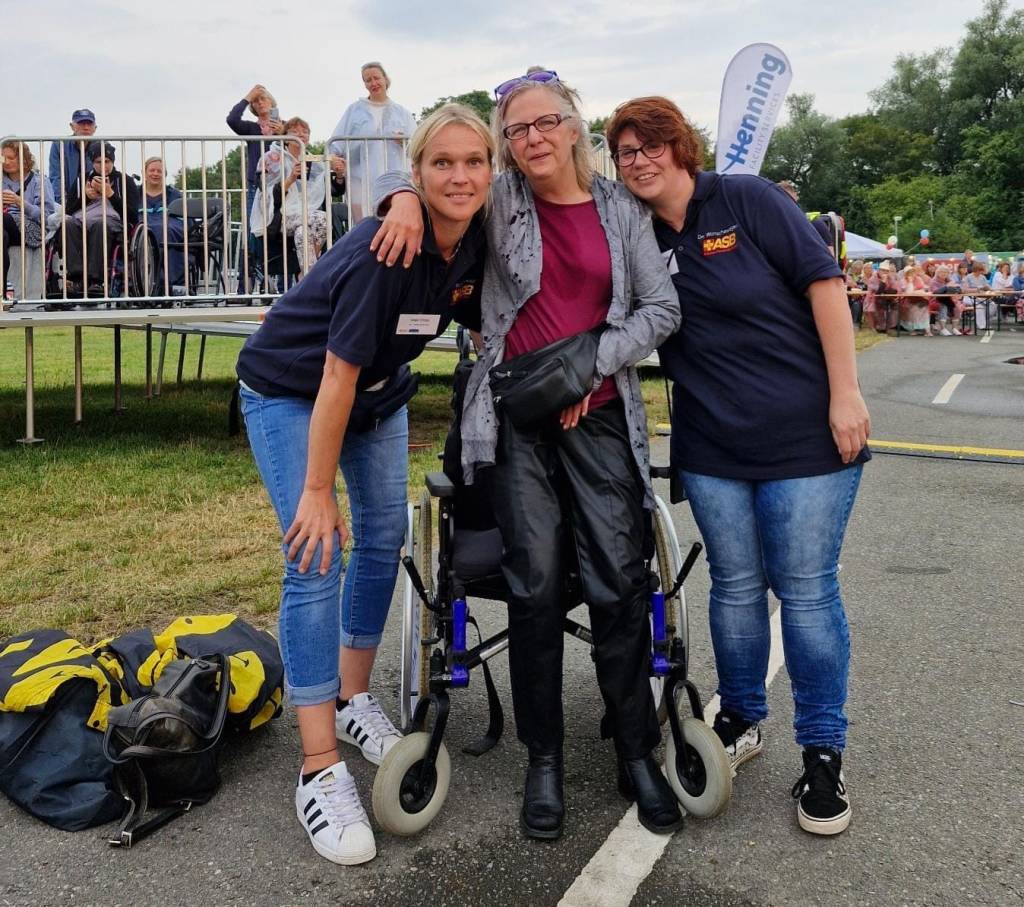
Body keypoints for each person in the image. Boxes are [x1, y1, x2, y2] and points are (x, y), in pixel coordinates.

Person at [375, 70, 684, 841]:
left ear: (575, 126)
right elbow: (437, 167)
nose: (533, 139)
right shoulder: (502, 196)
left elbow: (662, 308)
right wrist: (403, 196)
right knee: (536, 581)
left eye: (546, 123)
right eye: (517, 130)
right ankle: (543, 757)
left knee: (618, 579)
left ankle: (637, 751)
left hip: (602, 414)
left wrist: (588, 362)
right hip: (513, 417)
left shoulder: (620, 208)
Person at [604, 96, 870, 836]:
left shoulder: (746, 200)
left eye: (651, 144)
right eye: (625, 152)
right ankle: (742, 717)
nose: (640, 160)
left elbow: (825, 286)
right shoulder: (636, 233)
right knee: (736, 586)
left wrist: (846, 393)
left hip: (806, 434)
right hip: (714, 444)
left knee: (808, 593)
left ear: (680, 146)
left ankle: (823, 749)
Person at [235, 104, 492, 865]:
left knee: (386, 535)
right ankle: (318, 767)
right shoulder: (391, 248)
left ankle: (350, 698)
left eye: (472, 162)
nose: (458, 176)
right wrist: (318, 490)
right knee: (316, 554)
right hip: (292, 389)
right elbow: (335, 375)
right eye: (439, 164)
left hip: (377, 394)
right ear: (415, 171)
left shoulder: (473, 238)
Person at [329, 62, 416, 221]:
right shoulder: (354, 110)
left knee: (393, 222)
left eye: (377, 78)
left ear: (385, 79)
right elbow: (335, 145)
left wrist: (402, 142)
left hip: (394, 179)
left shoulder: (402, 113)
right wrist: (333, 159)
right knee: (363, 225)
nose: (373, 83)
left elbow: (418, 148)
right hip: (360, 180)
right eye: (368, 80)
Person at [249, 117, 328, 275]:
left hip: (303, 215)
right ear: (285, 137)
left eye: (305, 132)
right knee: (322, 219)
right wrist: (291, 178)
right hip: (277, 216)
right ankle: (311, 276)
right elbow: (265, 193)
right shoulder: (270, 158)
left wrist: (339, 173)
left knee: (302, 233)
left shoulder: (312, 161)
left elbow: (331, 188)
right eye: (295, 131)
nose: (301, 134)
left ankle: (305, 276)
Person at [59, 141, 140, 294]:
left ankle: (96, 280)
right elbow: (68, 210)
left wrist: (110, 194)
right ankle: (76, 278)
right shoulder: (81, 180)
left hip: (112, 221)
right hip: (82, 220)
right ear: (92, 162)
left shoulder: (125, 181)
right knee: (67, 224)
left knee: (100, 224)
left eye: (107, 161)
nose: (103, 165)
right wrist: (86, 197)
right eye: (98, 161)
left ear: (113, 161)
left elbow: (133, 216)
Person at [2, 140, 55, 293]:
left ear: (24, 159)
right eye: (3, 158)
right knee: (2, 235)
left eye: (11, 158)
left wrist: (20, 202)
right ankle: (4, 289)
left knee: (4, 220)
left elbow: (47, 216)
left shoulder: (39, 181)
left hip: (31, 229)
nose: (6, 162)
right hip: (6, 228)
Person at [138, 157, 186, 290]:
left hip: (168, 232)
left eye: (159, 171)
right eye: (151, 170)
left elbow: (183, 220)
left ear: (164, 174)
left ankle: (169, 283)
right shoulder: (135, 194)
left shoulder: (174, 195)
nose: (155, 174)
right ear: (144, 173)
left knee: (165, 230)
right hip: (141, 235)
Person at [48, 108, 97, 201]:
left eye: (89, 123)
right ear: (72, 126)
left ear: (95, 127)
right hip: (66, 200)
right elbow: (55, 177)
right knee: (54, 215)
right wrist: (63, 203)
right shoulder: (59, 144)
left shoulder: (103, 146)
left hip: (95, 201)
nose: (86, 127)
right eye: (81, 123)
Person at [898, 265, 932, 335]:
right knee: (913, 309)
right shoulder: (903, 281)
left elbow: (924, 288)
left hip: (920, 299)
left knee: (924, 309)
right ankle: (911, 329)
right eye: (910, 273)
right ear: (906, 274)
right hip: (908, 300)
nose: (912, 274)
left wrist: (920, 291)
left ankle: (927, 330)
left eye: (913, 272)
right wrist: (910, 282)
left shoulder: (919, 279)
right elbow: (908, 293)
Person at [929, 264, 962, 335]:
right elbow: (935, 292)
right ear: (937, 273)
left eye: (946, 272)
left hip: (949, 300)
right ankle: (943, 329)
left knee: (956, 308)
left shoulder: (949, 280)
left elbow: (958, 289)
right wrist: (946, 287)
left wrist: (957, 289)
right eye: (942, 272)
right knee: (943, 306)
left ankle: (954, 328)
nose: (944, 274)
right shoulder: (933, 281)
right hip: (936, 301)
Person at [963, 259, 995, 329]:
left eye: (981, 270)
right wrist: (977, 289)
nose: (980, 272)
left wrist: (990, 289)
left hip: (981, 296)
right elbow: (965, 290)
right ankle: (982, 325)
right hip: (969, 297)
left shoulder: (983, 277)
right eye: (978, 270)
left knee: (993, 306)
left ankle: (984, 321)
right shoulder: (968, 277)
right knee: (979, 306)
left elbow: (987, 286)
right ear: (975, 269)